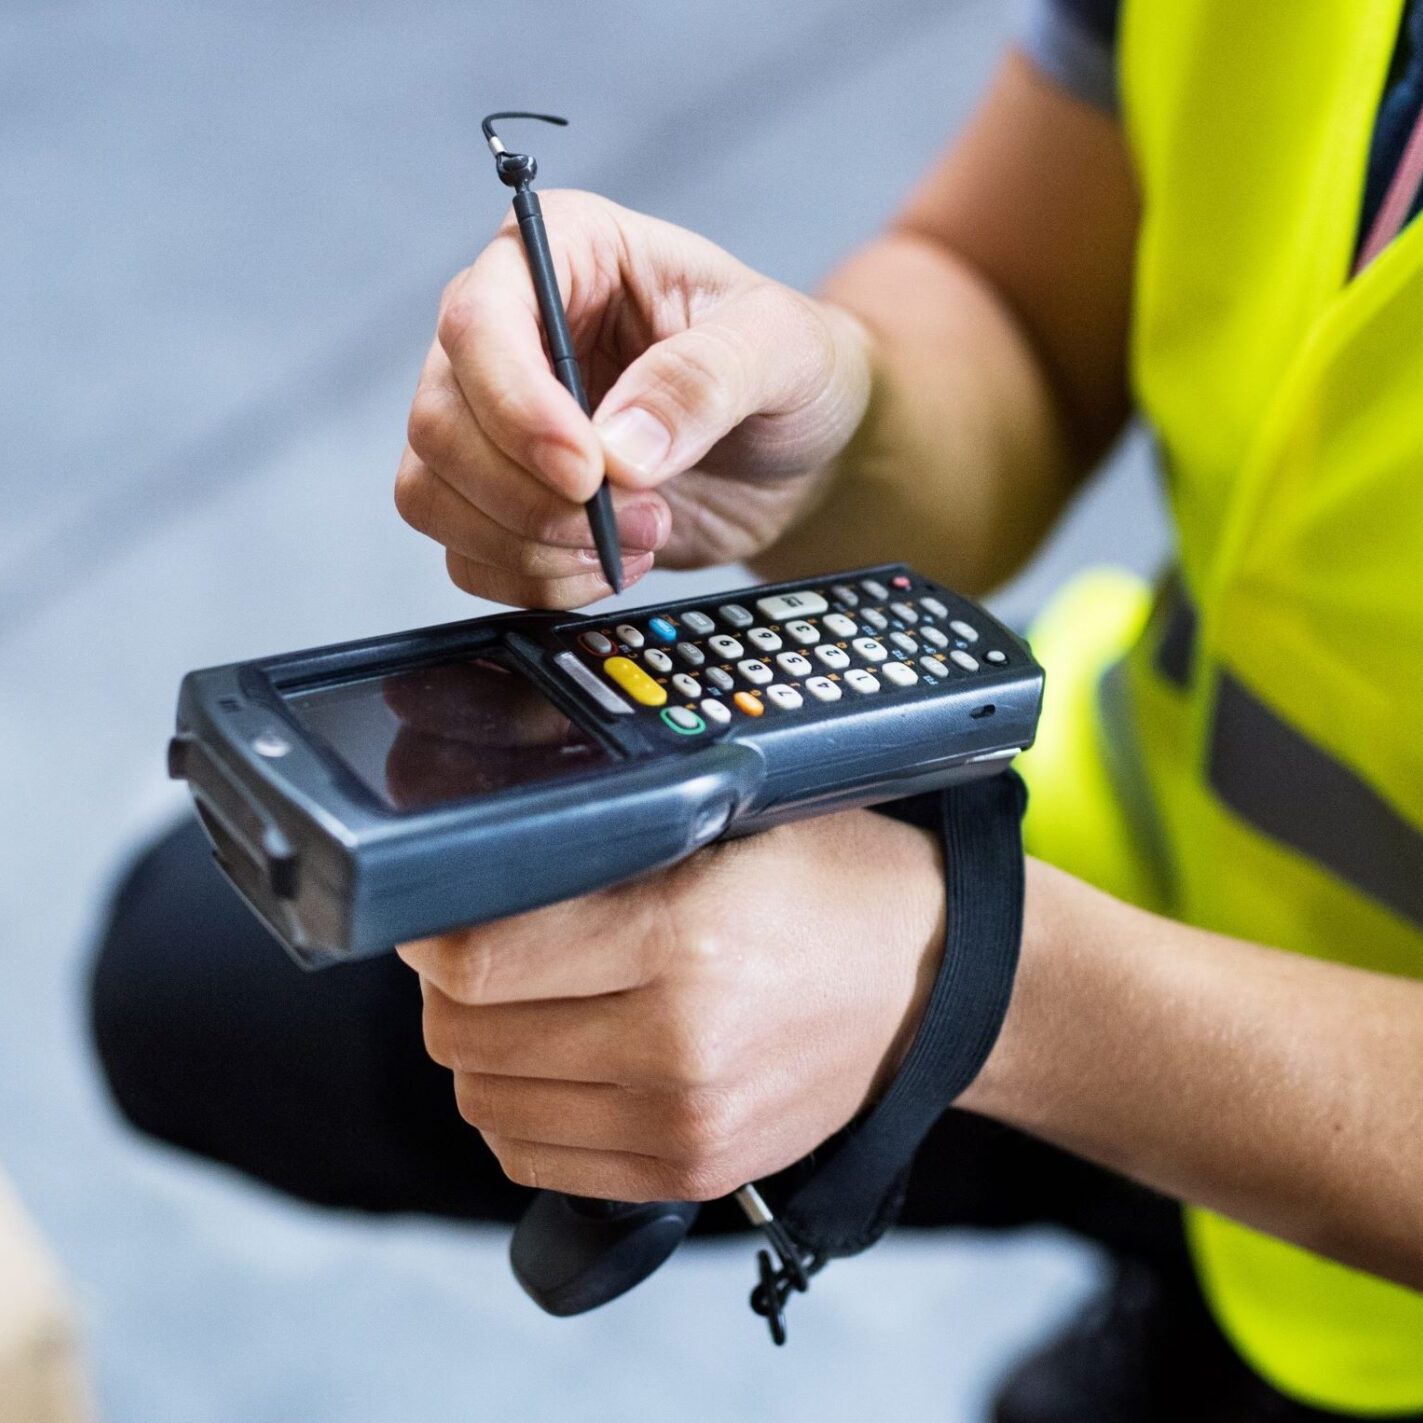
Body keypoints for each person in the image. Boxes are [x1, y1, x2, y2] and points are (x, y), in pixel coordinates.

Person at [92, 1, 1423, 1418]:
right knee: (194, 973)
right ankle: (1166, 1240)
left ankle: (1188, 1290)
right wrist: (834, 428)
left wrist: (972, 990)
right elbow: (1017, 299)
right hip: (1152, 824)